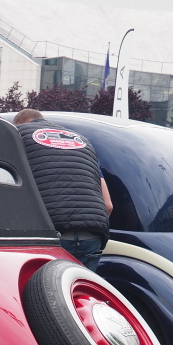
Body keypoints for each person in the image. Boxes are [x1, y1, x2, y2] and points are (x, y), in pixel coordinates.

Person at [13, 108, 112, 270]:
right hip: (92, 237)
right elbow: (108, 205)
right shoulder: (82, 141)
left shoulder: (18, 135)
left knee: (41, 285)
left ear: (21, 124)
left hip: (51, 235)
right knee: (78, 286)